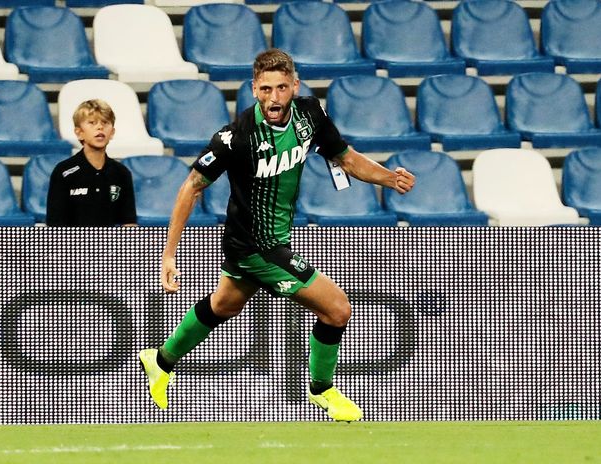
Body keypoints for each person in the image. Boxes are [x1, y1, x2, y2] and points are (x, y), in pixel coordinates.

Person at [139, 49, 415, 421]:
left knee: (224, 305)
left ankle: (160, 360)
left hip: (265, 240)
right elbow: (192, 186)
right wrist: (169, 254)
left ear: (295, 86)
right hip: (256, 247)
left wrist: (389, 178)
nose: (274, 97)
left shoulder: (310, 115)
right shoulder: (235, 137)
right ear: (254, 89)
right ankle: (322, 389)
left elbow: (346, 158)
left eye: (282, 87)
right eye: (266, 89)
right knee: (337, 309)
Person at [46, 99, 137, 227]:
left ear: (112, 133)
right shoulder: (64, 172)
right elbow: (55, 225)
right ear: (79, 133)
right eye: (92, 123)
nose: (100, 127)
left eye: (105, 122)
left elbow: (129, 223)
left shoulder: (122, 173)